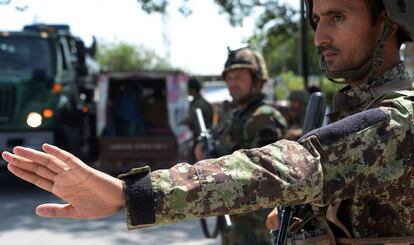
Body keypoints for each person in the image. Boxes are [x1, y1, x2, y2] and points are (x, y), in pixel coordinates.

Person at [3, 0, 414, 243]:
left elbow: (288, 166)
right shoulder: (345, 109)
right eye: (317, 19)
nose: (319, 36)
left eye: (337, 17)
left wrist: (128, 194)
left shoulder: (399, 116)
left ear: (388, 20)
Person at [194, 47, 286, 245]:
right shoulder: (235, 117)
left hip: (256, 226)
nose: (232, 83)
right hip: (234, 221)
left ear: (257, 80)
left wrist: (216, 164)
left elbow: (265, 174)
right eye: (229, 78)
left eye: (239, 77)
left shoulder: (263, 117)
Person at [186, 77, 213, 142]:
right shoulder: (204, 103)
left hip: (201, 139)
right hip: (202, 137)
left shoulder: (198, 104)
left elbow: (192, 122)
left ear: (192, 90)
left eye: (188, 89)